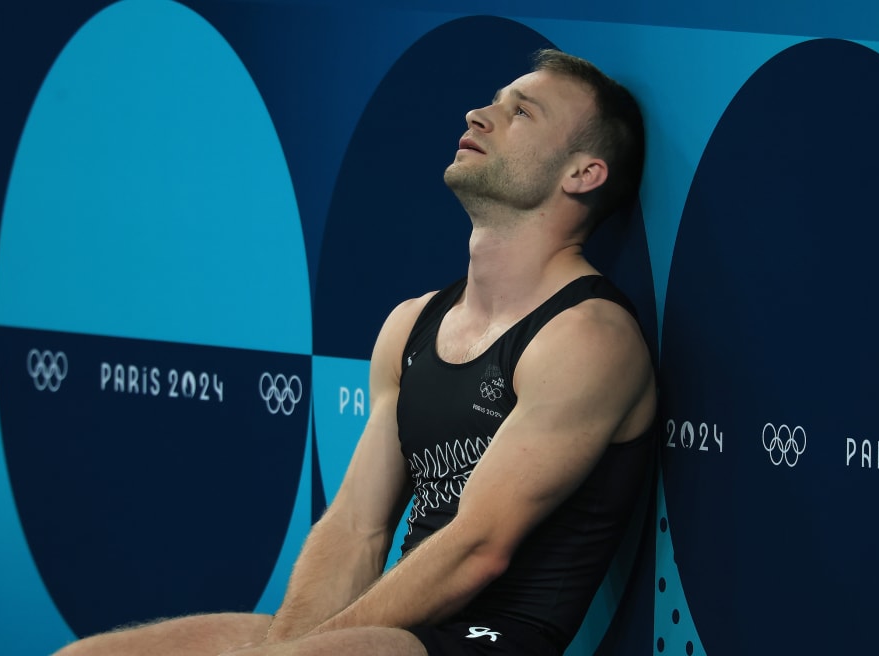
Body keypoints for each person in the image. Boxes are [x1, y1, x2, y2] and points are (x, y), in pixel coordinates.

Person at [55, 48, 656, 656]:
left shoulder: (588, 336)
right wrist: (288, 647)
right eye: (492, 103)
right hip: (387, 629)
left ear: (582, 174)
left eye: (520, 112)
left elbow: (479, 549)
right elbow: (357, 530)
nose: (478, 116)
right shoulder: (412, 324)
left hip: (490, 640)